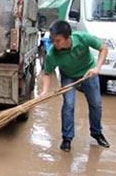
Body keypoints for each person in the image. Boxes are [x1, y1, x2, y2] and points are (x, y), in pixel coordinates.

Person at [38, 20, 110, 152]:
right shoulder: (52, 54)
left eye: (58, 40)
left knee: (96, 104)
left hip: (88, 72)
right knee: (68, 104)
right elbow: (47, 73)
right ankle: (67, 138)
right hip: (68, 76)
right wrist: (44, 91)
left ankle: (97, 133)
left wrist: (97, 68)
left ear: (68, 38)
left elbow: (103, 48)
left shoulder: (82, 38)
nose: (54, 44)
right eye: (52, 40)